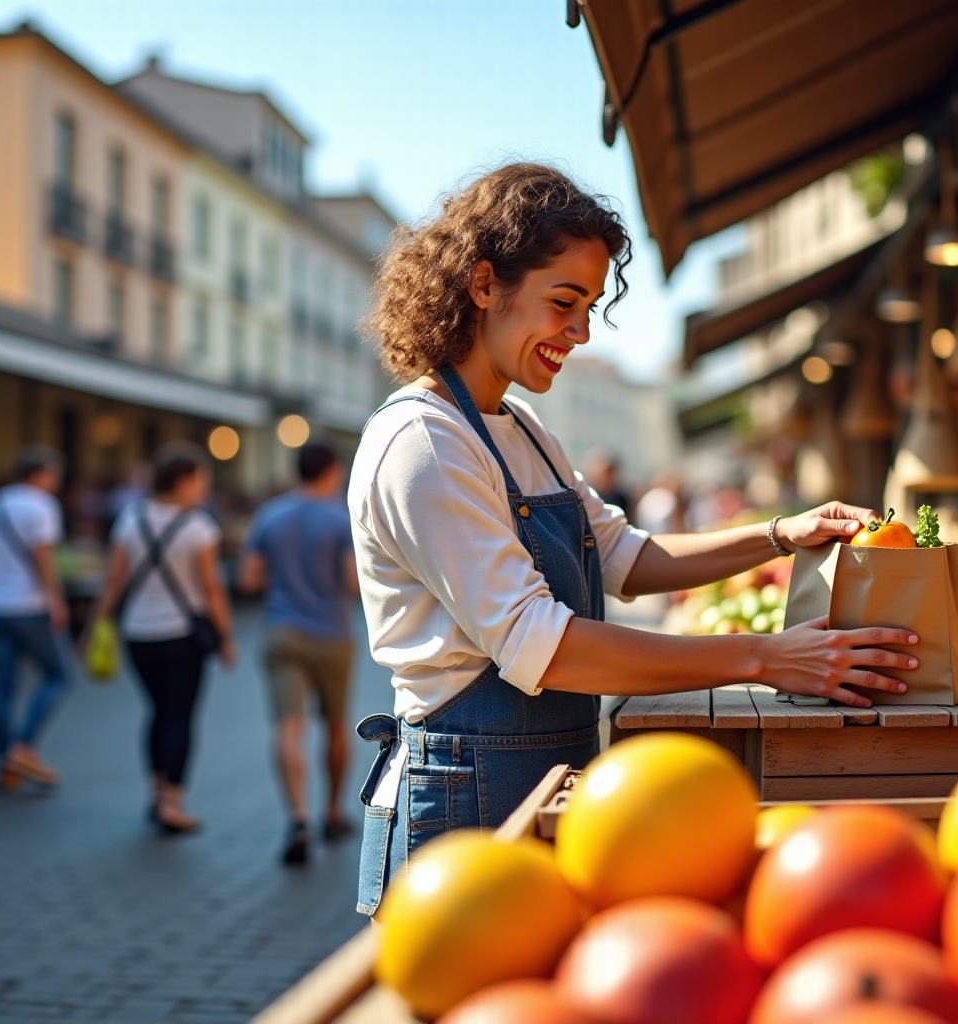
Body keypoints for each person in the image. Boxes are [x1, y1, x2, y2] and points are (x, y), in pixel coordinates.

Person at [349, 164, 917, 915]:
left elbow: (629, 559)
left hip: (543, 774)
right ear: (483, 285)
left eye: (589, 307)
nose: (580, 332)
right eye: (563, 302)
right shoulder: (422, 443)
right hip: (464, 798)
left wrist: (782, 534)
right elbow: (545, 646)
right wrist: (764, 657)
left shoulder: (524, 430)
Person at [85, 442, 236, 834]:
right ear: (183, 481)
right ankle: (172, 802)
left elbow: (113, 582)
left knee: (156, 714)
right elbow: (212, 589)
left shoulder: (130, 518)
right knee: (179, 717)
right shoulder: (199, 527)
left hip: (137, 635)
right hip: (182, 637)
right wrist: (226, 636)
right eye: (201, 479)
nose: (205, 487)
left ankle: (156, 794)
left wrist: (92, 626)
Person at [238, 441, 359, 865]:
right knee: (336, 727)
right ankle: (332, 812)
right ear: (330, 471)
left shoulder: (269, 514)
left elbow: (249, 579)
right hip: (331, 634)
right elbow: (353, 585)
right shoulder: (340, 519)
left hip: (281, 632)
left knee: (289, 728)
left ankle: (298, 818)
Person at [0, 446, 71, 792]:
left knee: (4, 687)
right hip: (28, 605)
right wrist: (56, 601)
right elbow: (43, 559)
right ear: (42, 474)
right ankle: (23, 746)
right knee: (59, 676)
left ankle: (6, 765)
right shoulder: (41, 506)